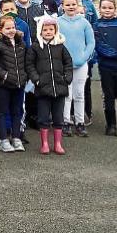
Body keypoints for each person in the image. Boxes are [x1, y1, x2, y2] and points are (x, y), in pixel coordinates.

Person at [26, 16, 72, 155]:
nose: (48, 32)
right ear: (40, 30)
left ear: (55, 30)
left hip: (60, 88)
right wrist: (36, 79)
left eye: (51, 29)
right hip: (43, 89)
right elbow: (29, 65)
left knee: (58, 117)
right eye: (45, 29)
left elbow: (68, 63)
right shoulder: (35, 47)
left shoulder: (60, 46)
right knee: (43, 117)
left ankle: (57, 144)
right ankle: (44, 143)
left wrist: (67, 78)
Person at [57, 0, 95, 138]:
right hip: (64, 65)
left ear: (78, 5)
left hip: (81, 64)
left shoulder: (84, 22)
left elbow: (91, 42)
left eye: (73, 4)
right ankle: (66, 122)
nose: (71, 7)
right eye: (67, 5)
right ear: (62, 6)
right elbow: (56, 41)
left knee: (79, 94)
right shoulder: (58, 22)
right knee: (66, 95)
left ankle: (80, 123)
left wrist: (84, 57)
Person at [0, 16, 28, 153]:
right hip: (3, 84)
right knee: (2, 111)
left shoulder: (21, 43)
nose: (11, 30)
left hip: (19, 83)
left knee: (16, 111)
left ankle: (16, 138)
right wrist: (3, 75)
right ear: (0, 29)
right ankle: (3, 139)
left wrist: (25, 76)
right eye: (8, 28)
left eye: (13, 27)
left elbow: (25, 61)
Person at [94, 0, 117, 136]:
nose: (107, 10)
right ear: (100, 9)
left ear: (115, 8)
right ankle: (111, 124)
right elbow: (100, 46)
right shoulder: (96, 25)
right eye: (104, 8)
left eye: (110, 8)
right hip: (106, 66)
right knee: (108, 96)